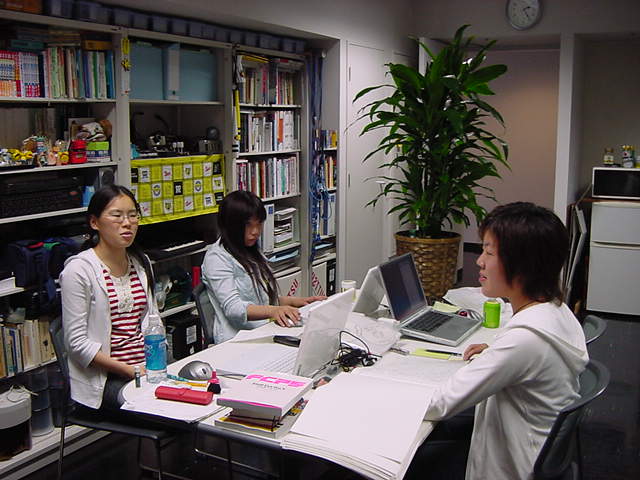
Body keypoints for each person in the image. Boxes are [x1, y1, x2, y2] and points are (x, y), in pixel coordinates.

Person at [417, 202, 589, 480]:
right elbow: (529, 358)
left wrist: (367, 391)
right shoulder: (557, 309)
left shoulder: (524, 341)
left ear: (522, 265)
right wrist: (495, 351)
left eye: (489, 252)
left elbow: (440, 402)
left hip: (512, 467)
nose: (479, 261)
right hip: (532, 450)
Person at [59, 184, 157, 410]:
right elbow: (76, 344)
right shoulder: (79, 270)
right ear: (95, 222)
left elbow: (153, 320)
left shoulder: (140, 263)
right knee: (160, 407)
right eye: (117, 215)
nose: (127, 223)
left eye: (133, 215)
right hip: (106, 379)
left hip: (146, 367)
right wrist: (130, 370)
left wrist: (156, 363)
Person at [201, 190, 325, 343]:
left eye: (259, 224)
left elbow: (262, 300)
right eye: (248, 225)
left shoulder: (249, 249)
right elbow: (234, 308)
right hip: (237, 340)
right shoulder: (217, 258)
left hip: (263, 331)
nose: (256, 232)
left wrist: (299, 302)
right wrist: (274, 311)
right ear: (231, 226)